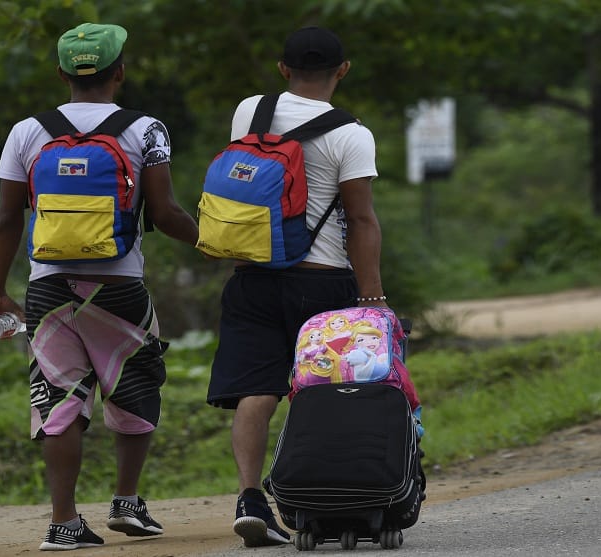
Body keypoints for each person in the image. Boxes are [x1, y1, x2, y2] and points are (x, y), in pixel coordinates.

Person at [0, 22, 199, 551]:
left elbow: (8, 218)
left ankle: (63, 522)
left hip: (48, 289)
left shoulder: (27, 132)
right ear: (119, 72)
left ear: (62, 74)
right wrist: (215, 244)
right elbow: (167, 212)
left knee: (57, 398)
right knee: (136, 382)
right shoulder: (146, 129)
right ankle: (126, 499)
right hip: (119, 287)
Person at [205, 25, 387, 547]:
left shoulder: (249, 112)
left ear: (283, 70)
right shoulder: (351, 134)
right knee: (327, 392)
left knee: (257, 390)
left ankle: (249, 497)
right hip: (322, 282)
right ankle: (323, 496)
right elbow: (361, 219)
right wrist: (373, 300)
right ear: (343, 70)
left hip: (252, 277)